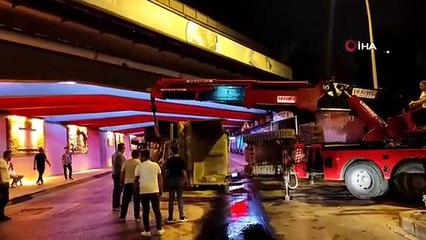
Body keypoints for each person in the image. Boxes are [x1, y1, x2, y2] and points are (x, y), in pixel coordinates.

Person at [134, 149, 164, 236]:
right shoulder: (156, 165)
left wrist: (136, 192)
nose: (140, 158)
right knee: (157, 210)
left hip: (144, 191)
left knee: (145, 211)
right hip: (154, 190)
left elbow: (136, 180)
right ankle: (159, 229)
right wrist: (160, 190)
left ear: (143, 157)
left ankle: (147, 231)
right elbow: (160, 179)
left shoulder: (139, 166)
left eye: (140, 156)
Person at [164, 146, 188, 224]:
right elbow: (183, 171)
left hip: (171, 180)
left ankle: (170, 218)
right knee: (180, 198)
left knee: (171, 199)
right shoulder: (180, 160)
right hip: (179, 180)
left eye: (170, 150)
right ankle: (182, 216)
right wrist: (186, 180)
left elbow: (167, 171)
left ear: (172, 151)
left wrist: (166, 179)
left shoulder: (169, 160)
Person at [119, 150, 141, 222]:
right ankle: (137, 217)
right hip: (137, 184)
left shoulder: (126, 162)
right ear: (138, 155)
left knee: (125, 201)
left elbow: (122, 173)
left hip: (127, 183)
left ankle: (123, 216)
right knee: (136, 200)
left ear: (132, 155)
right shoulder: (139, 163)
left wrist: (121, 183)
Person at [111, 143, 126, 211]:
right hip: (118, 174)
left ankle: (116, 204)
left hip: (114, 173)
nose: (124, 149)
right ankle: (116, 205)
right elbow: (121, 166)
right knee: (118, 189)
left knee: (117, 189)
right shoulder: (120, 155)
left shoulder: (114, 154)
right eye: (124, 148)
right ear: (121, 148)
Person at [0, 150, 12, 221]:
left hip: (6, 182)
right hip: (3, 183)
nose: (11, 157)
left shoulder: (5, 162)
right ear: (7, 155)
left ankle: (1, 214)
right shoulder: (1, 161)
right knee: (5, 199)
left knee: (3, 199)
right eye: (10, 155)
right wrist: (1, 181)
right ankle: (1, 214)